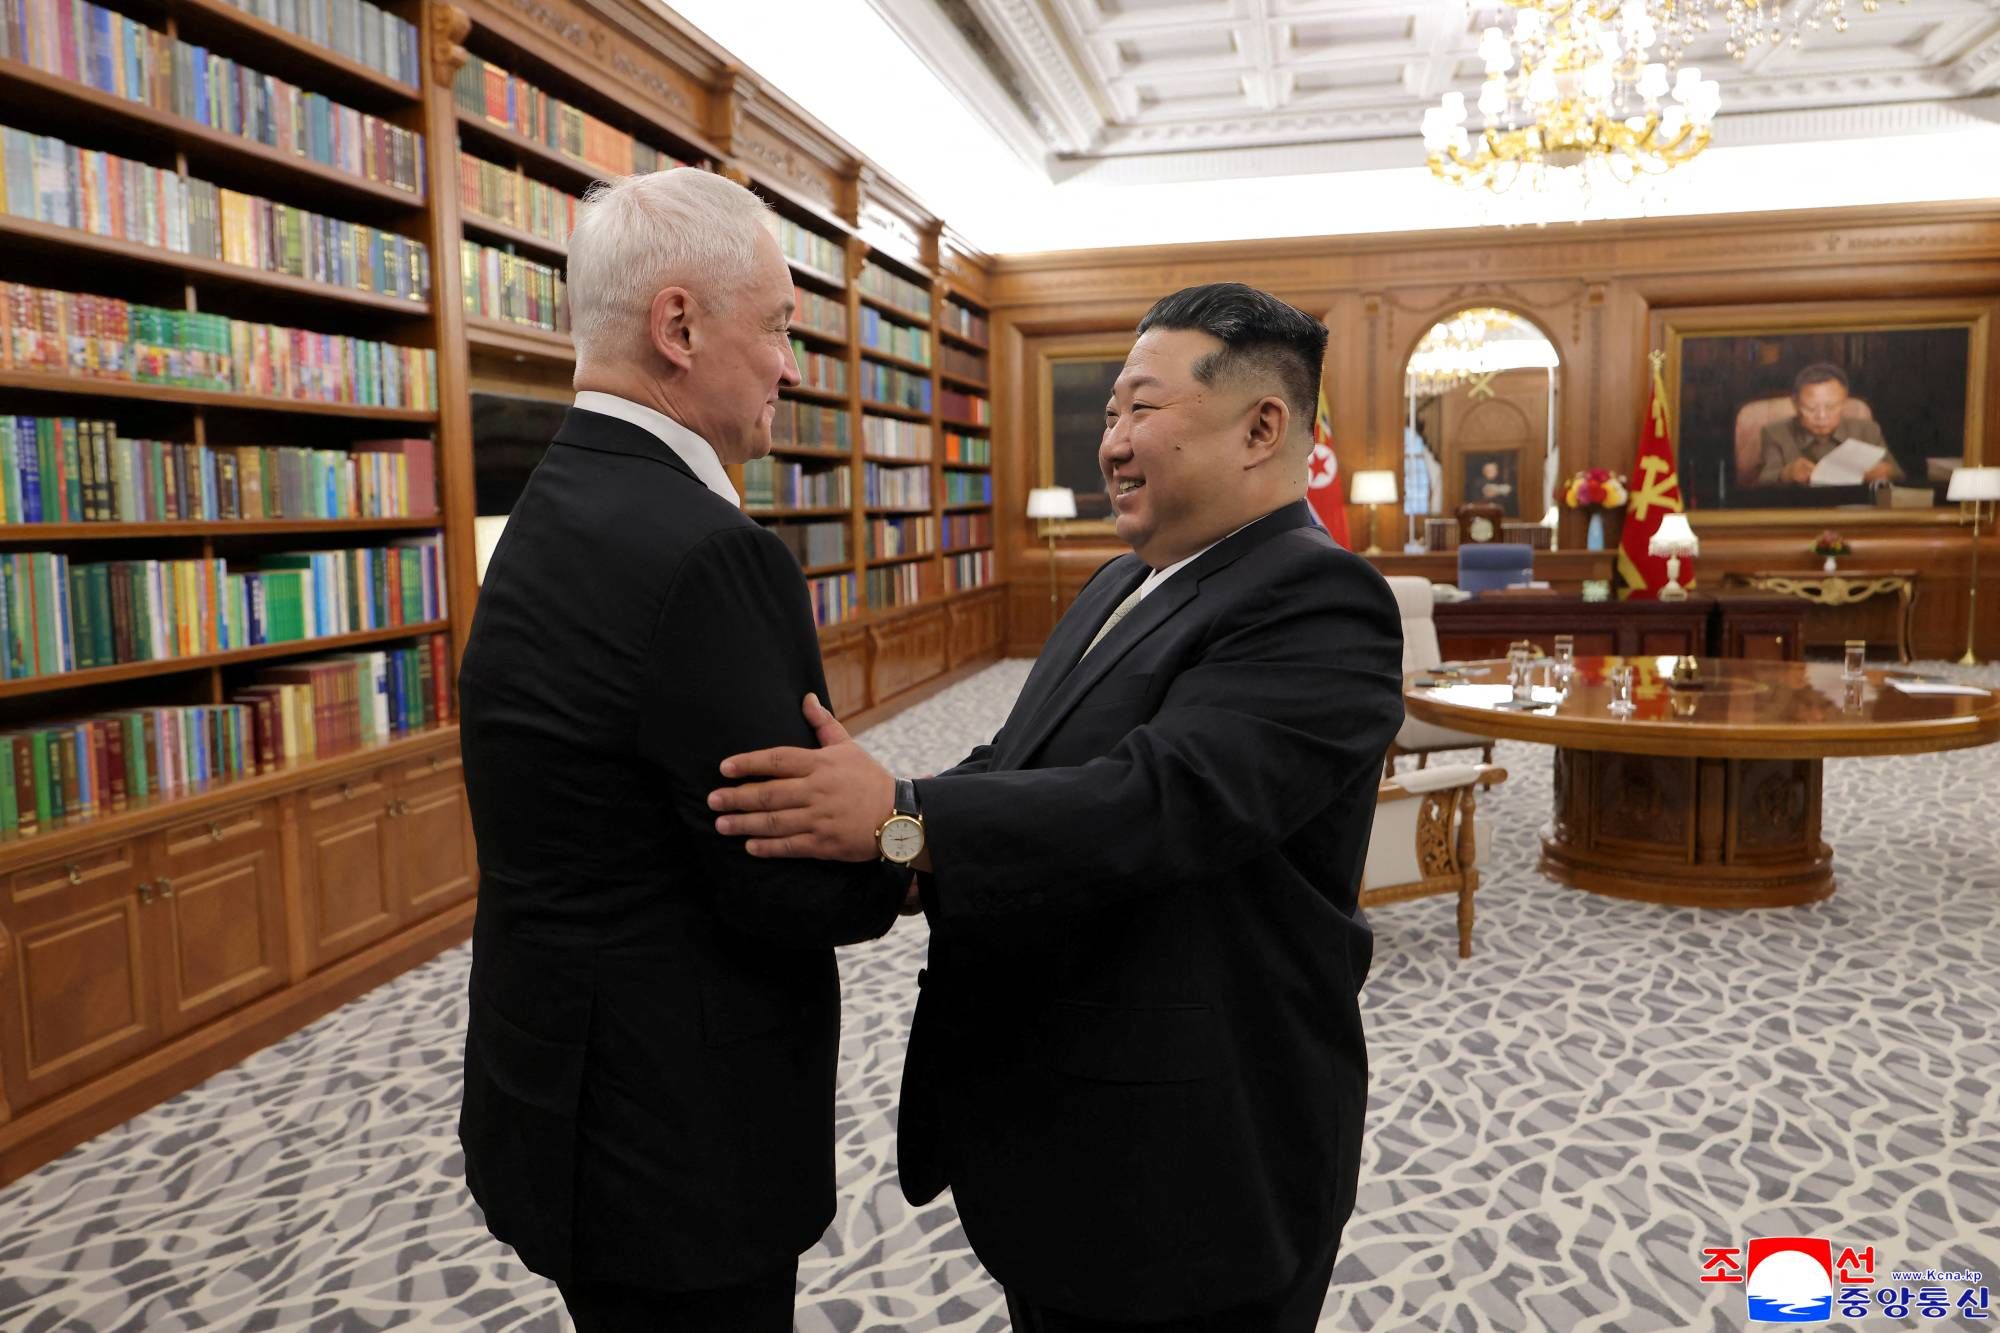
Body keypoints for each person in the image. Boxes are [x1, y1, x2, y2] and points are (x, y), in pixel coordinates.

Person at [708, 282, 1406, 1331]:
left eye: (1141, 409)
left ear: (1262, 428)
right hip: (1065, 1138)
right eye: (1110, 411)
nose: (1110, 442)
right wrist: (901, 835)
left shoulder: (1322, 599)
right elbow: (1017, 757)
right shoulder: (1122, 580)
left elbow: (1159, 800)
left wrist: (905, 818)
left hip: (1191, 1169)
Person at [454, 168, 907, 1333]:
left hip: (558, 1088)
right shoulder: (707, 552)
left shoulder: (551, 500)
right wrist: (914, 836)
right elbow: (791, 875)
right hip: (675, 1146)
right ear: (679, 326)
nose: (790, 368)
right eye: (779, 327)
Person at [1757, 362, 1902, 485]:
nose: (1822, 416)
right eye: (1811, 408)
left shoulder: (1867, 430)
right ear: (1795, 404)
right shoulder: (1775, 432)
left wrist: (1885, 472)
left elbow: (1898, 475)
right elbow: (1763, 484)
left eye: (1831, 407)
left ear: (1845, 402)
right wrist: (1786, 474)